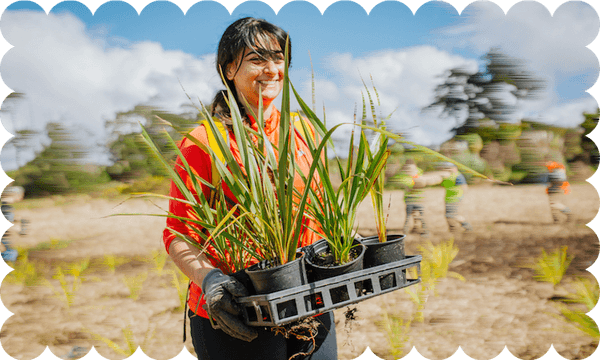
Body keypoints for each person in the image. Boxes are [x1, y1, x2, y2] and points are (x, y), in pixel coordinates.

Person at [162, 17, 336, 360]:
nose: (271, 69)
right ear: (228, 69)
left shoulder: (304, 133)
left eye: (278, 58)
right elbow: (178, 233)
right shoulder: (205, 141)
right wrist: (209, 280)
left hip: (310, 302)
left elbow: (318, 212)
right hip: (237, 309)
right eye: (257, 59)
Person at [392, 159, 429, 237]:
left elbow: (407, 184)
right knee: (417, 215)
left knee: (410, 216)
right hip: (417, 199)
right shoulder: (418, 173)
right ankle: (421, 230)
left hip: (413, 199)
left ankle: (407, 231)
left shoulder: (409, 175)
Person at [439, 162, 472, 232]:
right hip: (448, 198)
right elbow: (443, 185)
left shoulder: (458, 176)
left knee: (452, 215)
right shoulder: (447, 177)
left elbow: (465, 187)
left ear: (455, 168)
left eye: (450, 168)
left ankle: (466, 225)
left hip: (455, 198)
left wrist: (461, 197)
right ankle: (453, 230)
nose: (448, 170)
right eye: (446, 169)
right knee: (448, 215)